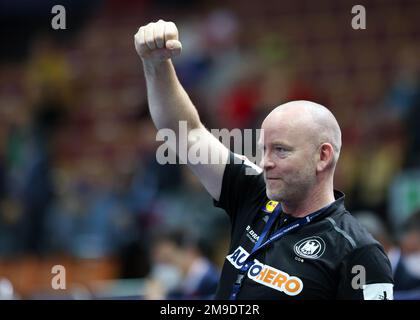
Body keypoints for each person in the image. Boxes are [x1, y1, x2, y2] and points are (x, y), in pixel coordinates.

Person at [134, 20, 394, 300]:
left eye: (281, 150)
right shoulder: (254, 192)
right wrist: (156, 65)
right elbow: (187, 134)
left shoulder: (357, 251)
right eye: (264, 149)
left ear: (322, 156)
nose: (266, 161)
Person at [144, 228, 220, 300]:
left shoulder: (213, 282)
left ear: (190, 251)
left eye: (171, 257)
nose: (171, 264)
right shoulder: (186, 281)